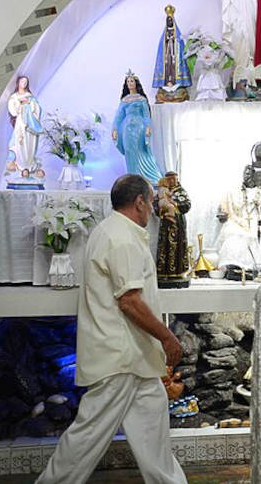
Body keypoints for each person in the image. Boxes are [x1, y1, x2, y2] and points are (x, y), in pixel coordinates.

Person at [37, 174, 187, 484]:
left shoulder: (112, 230)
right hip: (120, 356)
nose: (155, 208)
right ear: (139, 202)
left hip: (135, 357)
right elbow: (129, 302)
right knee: (88, 435)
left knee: (153, 436)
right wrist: (167, 337)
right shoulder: (122, 238)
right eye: (152, 201)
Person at [112, 72, 163, 185]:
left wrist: (148, 126)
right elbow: (119, 116)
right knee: (129, 150)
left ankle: (144, 177)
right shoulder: (124, 100)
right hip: (126, 129)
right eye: (128, 82)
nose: (130, 83)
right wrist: (115, 128)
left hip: (139, 128)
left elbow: (146, 115)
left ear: (136, 83)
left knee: (140, 150)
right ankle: (132, 176)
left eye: (132, 81)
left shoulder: (141, 99)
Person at [155, 171, 192, 288]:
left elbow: (187, 204)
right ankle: (164, 272)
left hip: (178, 224)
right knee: (165, 247)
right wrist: (162, 211)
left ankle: (178, 272)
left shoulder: (181, 192)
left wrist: (174, 204)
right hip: (165, 224)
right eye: (169, 179)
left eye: (174, 179)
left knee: (178, 247)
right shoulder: (162, 190)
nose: (172, 181)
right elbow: (156, 204)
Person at [6, 75, 44, 179]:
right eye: (22, 82)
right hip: (21, 123)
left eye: (26, 82)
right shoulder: (14, 97)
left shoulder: (29, 96)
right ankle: (20, 164)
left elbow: (38, 109)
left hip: (31, 124)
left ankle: (29, 164)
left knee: (30, 143)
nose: (24, 84)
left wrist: (30, 103)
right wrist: (20, 103)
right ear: (18, 83)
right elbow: (13, 110)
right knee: (19, 142)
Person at [153, 5, 192, 103]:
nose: (169, 22)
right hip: (167, 56)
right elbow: (162, 48)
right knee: (168, 68)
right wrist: (167, 40)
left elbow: (180, 47)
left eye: (171, 20)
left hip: (175, 57)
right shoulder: (164, 36)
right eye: (168, 20)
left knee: (174, 68)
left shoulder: (178, 36)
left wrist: (174, 41)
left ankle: (177, 84)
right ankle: (167, 83)